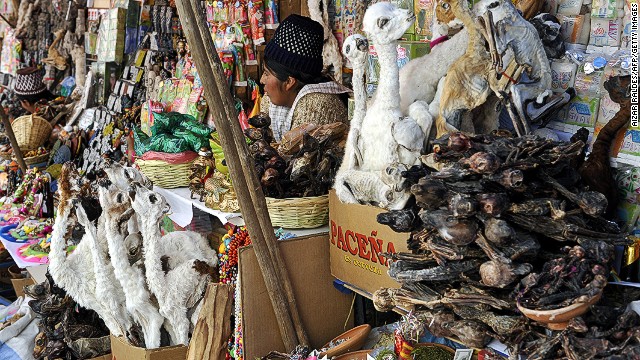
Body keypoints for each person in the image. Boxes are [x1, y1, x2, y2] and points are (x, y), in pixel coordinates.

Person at [260, 14, 350, 142]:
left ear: (289, 82)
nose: (262, 80)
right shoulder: (273, 100)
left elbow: (299, 160)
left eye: (266, 73)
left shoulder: (316, 104)